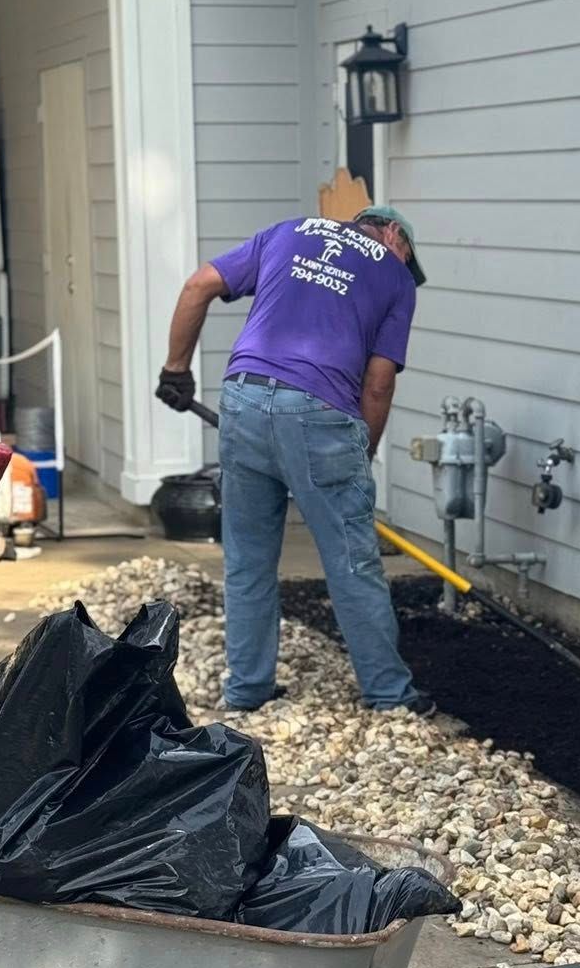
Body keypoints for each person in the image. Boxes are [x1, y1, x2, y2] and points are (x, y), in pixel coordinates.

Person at [157, 209, 433, 714]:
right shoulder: (395, 276)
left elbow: (199, 285)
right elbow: (378, 383)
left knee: (247, 559)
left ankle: (246, 690)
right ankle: (390, 697)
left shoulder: (288, 232)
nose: (404, 265)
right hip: (320, 415)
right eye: (408, 258)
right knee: (351, 562)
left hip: (242, 399)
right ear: (394, 236)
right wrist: (361, 455)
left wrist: (176, 370)